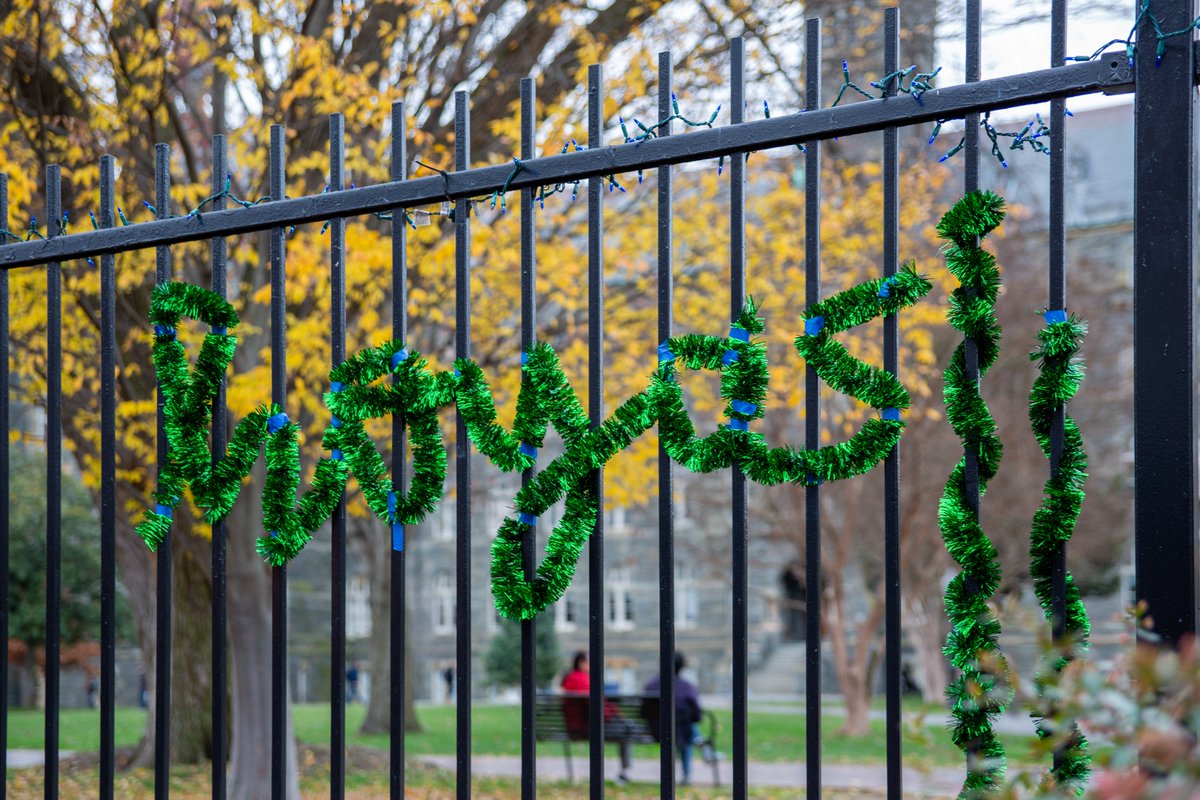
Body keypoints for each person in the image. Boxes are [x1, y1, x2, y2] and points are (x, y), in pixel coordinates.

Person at [560, 651, 633, 785]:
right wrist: (614, 715)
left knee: (626, 727)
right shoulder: (582, 680)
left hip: (577, 726)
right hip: (587, 728)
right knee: (627, 730)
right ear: (581, 663)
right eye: (589, 662)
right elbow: (596, 705)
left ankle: (624, 771)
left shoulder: (571, 678)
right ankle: (624, 772)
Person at [644, 652, 716, 786]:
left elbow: (643, 712)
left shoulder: (650, 685)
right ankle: (687, 773)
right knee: (688, 730)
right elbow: (696, 714)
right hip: (681, 731)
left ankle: (699, 742)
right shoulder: (687, 687)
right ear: (682, 667)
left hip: (655, 731)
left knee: (683, 728)